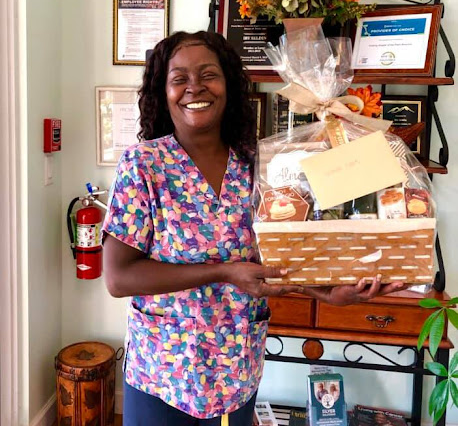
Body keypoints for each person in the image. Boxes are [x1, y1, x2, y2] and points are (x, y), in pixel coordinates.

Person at [102, 30, 405, 426]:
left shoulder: (259, 165)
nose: (195, 87)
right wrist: (225, 272)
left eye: (208, 75)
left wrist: (328, 293)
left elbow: (276, 262)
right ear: (164, 91)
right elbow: (119, 278)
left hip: (235, 368)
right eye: (179, 78)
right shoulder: (143, 165)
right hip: (161, 371)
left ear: (228, 85)